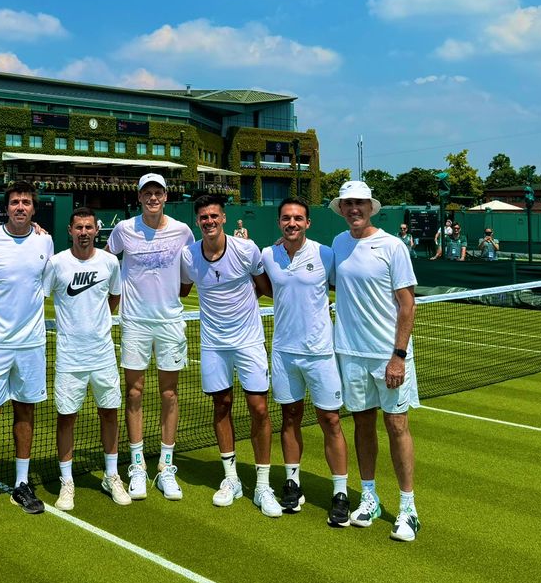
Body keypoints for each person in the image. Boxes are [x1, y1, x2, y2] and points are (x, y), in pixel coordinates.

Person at [179, 193, 281, 517]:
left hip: (249, 340)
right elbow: (182, 290)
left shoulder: (245, 250)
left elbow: (265, 287)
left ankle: (263, 485)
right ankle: (231, 479)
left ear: (223, 218)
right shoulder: (189, 256)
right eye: (203, 218)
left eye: (214, 216)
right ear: (198, 221)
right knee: (221, 404)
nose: (209, 222)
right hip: (213, 343)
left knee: (259, 407)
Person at [330, 180, 421, 542]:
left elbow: (407, 304)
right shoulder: (338, 244)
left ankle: (408, 508)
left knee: (397, 427)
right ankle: (369, 498)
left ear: (370, 207)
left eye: (360, 204)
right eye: (348, 204)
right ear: (342, 208)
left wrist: (398, 356)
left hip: (388, 357)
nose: (354, 209)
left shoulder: (393, 246)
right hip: (350, 354)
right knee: (363, 426)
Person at [0, 180, 55, 528]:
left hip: (31, 344)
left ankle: (21, 484)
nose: (20, 207)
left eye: (26, 203)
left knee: (26, 412)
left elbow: (48, 284)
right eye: (15, 202)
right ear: (7, 207)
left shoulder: (44, 240)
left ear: (34, 209)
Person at [106, 173, 195, 501]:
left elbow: (188, 275)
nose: (153, 198)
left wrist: (170, 299)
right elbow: (106, 262)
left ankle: (166, 467)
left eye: (158, 192)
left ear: (165, 197)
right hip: (135, 323)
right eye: (147, 193)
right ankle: (138, 465)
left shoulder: (182, 231)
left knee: (169, 394)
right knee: (134, 392)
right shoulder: (123, 230)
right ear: (140, 197)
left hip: (170, 323)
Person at [261, 197, 350, 526]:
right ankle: (292, 484)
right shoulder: (268, 255)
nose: (292, 223)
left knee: (331, 421)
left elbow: (347, 289)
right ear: (279, 223)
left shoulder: (326, 254)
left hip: (321, 354)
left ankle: (340, 492)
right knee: (289, 418)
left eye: (298, 218)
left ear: (308, 223)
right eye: (286, 218)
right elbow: (262, 286)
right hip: (284, 352)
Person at [43, 206, 130, 510]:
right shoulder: (56, 264)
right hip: (69, 357)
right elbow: (40, 295)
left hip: (103, 355)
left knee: (109, 413)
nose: (83, 232)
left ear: (96, 230)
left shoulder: (109, 263)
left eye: (88, 227)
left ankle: (111, 475)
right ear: (70, 231)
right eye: (78, 227)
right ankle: (67, 481)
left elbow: (114, 297)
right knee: (66, 418)